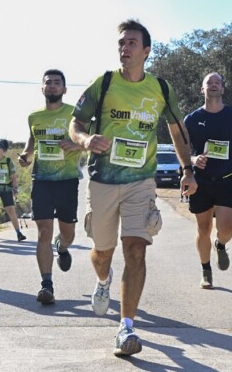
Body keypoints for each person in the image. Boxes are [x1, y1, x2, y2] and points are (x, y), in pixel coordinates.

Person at [69, 19, 197, 357]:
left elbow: (177, 131)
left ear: (146, 51)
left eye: (131, 43)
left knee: (137, 249)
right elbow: (75, 122)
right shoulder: (105, 83)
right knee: (102, 253)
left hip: (141, 180)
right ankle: (103, 280)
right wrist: (84, 139)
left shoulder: (161, 89)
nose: (124, 48)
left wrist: (187, 169)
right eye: (121, 43)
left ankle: (126, 327)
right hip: (104, 180)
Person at [19, 69, 83, 305]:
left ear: (65, 89)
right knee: (43, 232)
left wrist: (77, 147)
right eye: (49, 83)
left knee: (67, 234)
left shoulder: (75, 115)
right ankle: (47, 285)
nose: (53, 86)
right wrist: (26, 155)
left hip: (67, 180)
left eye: (57, 83)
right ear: (42, 88)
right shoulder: (34, 117)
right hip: (42, 180)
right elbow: (32, 141)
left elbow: (89, 140)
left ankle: (62, 248)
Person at [184, 72, 232, 290]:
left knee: (226, 230)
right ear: (202, 90)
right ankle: (206, 270)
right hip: (200, 181)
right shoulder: (191, 119)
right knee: (203, 229)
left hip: (226, 179)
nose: (213, 86)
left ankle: (220, 245)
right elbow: (183, 149)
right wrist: (193, 160)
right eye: (208, 83)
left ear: (223, 89)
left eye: (217, 83)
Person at [0, 139, 26, 243]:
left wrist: (15, 189)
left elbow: (13, 177)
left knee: (11, 210)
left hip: (6, 188)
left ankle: (18, 233)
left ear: (3, 150)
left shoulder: (8, 161)